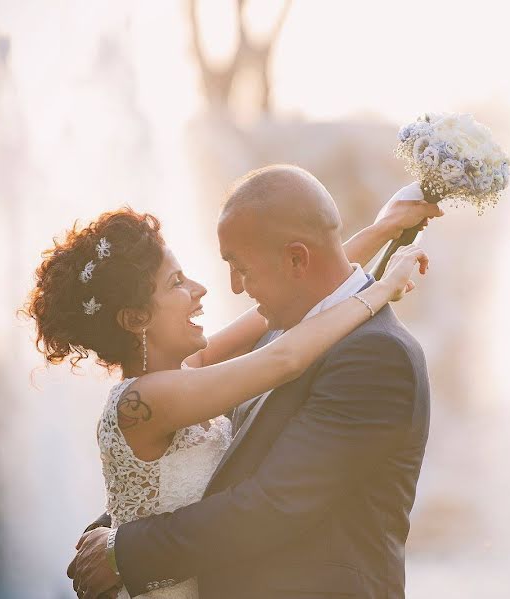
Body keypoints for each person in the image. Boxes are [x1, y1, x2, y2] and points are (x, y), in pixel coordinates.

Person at [27, 166, 439, 598]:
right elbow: (287, 347)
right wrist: (378, 287)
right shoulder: (192, 379)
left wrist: (122, 548)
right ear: (135, 320)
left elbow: (274, 503)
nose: (220, 288)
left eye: (240, 267)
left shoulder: (373, 354)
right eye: (177, 283)